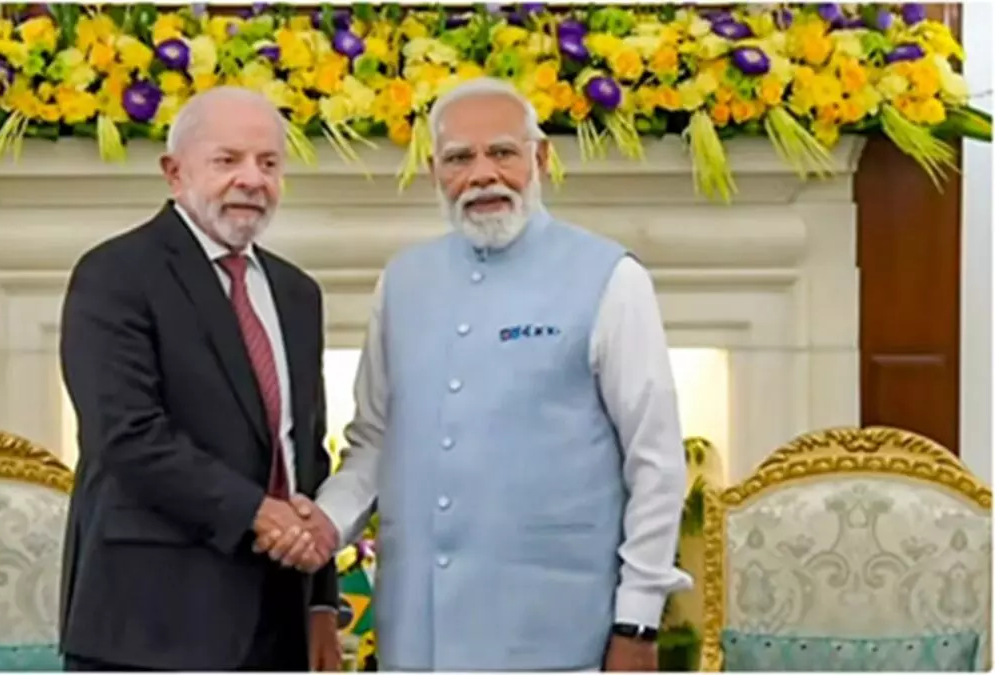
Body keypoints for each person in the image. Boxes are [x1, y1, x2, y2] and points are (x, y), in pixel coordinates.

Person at [258, 77, 692, 670]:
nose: (483, 174)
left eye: (503, 153)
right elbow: (374, 443)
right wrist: (324, 525)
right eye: (460, 158)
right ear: (435, 171)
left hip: (559, 638)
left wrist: (638, 621)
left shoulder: (611, 277)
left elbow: (656, 463)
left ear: (541, 159)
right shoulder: (403, 281)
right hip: (418, 641)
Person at [57, 87, 340, 672]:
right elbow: (128, 436)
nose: (252, 179)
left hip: (277, 624)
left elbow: (304, 454)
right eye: (227, 160)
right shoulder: (115, 274)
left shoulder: (297, 293)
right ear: (174, 172)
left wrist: (320, 602)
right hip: (150, 625)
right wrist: (260, 513)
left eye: (268, 163)